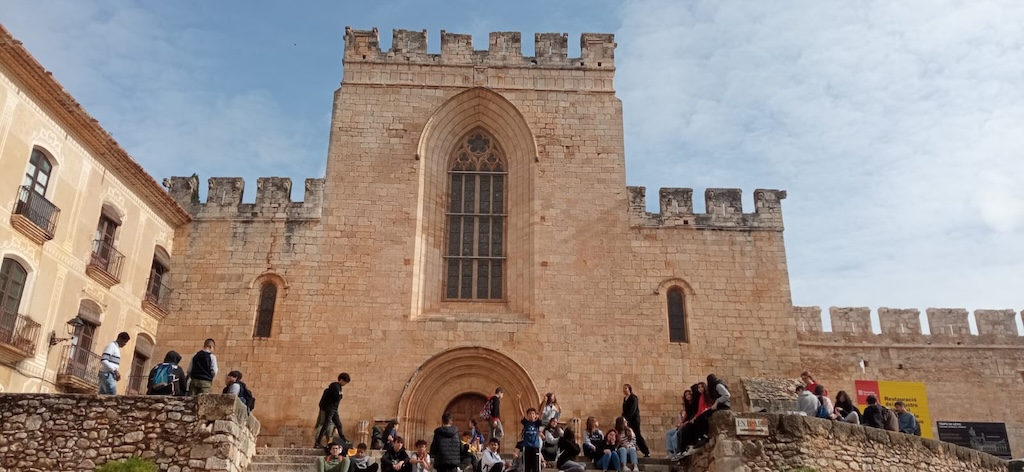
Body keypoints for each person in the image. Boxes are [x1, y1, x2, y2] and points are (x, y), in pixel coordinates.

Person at [316, 372, 352, 448]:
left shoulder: (338, 387)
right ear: (341, 380)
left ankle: (343, 439)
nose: (345, 384)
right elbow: (336, 397)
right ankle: (318, 442)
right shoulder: (335, 386)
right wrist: (340, 395)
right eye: (345, 382)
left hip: (334, 409)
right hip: (330, 409)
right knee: (326, 425)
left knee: (338, 424)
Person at [620, 384, 650, 457]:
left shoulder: (633, 398)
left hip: (634, 420)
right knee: (628, 435)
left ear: (629, 389)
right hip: (627, 420)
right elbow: (624, 410)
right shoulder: (625, 399)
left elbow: (632, 410)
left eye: (626, 388)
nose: (624, 390)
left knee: (637, 434)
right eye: (623, 389)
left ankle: (646, 451)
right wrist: (623, 417)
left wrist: (625, 418)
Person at [666, 388, 696, 457]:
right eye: (686, 395)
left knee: (674, 437)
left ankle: (677, 453)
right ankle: (670, 451)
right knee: (668, 433)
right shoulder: (687, 407)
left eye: (689, 394)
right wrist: (681, 423)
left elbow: (692, 416)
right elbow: (686, 417)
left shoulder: (693, 405)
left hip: (688, 425)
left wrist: (684, 423)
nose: (688, 396)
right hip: (683, 424)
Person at [519, 407, 543, 472]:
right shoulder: (526, 423)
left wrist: (545, 402)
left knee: (536, 467)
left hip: (535, 447)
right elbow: (521, 412)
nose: (531, 415)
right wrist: (519, 401)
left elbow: (541, 412)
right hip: (527, 447)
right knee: (527, 467)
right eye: (530, 413)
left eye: (533, 413)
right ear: (528, 415)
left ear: (535, 415)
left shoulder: (537, 423)